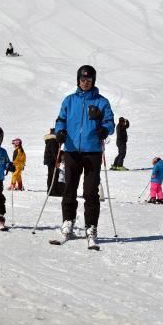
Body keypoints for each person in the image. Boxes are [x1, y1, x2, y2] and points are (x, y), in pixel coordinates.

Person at [54, 65, 114, 240]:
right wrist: (60, 131)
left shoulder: (102, 102)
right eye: (82, 80)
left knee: (90, 191)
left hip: (93, 152)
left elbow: (110, 122)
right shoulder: (69, 100)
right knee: (70, 188)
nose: (85, 83)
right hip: (72, 150)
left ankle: (91, 226)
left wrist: (104, 129)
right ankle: (68, 221)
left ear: (93, 81)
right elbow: (61, 120)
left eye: (88, 80)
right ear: (78, 80)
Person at [44, 128, 60, 195]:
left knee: (51, 175)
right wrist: (57, 160)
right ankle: (52, 191)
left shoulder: (49, 140)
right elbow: (54, 151)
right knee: (54, 175)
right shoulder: (53, 140)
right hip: (52, 160)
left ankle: (50, 190)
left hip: (49, 160)